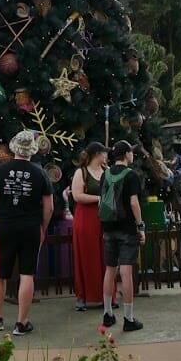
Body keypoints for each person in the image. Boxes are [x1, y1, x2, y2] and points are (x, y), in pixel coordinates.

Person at [0, 129, 54, 337]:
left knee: (0, 272)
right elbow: (49, 207)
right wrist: (42, 226)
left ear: (14, 148)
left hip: (6, 227)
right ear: (31, 151)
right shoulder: (40, 173)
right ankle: (21, 323)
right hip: (31, 227)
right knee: (27, 273)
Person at [100, 140, 145, 333]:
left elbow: (102, 201)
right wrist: (140, 226)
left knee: (110, 269)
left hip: (108, 226)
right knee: (126, 271)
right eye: (131, 152)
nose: (133, 155)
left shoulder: (106, 174)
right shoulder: (131, 175)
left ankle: (108, 313)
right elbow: (134, 203)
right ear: (126, 154)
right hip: (126, 228)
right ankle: (128, 318)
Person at [70, 141, 110, 311]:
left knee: (105, 256)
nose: (106, 156)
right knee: (87, 256)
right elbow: (77, 195)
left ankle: (106, 295)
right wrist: (98, 199)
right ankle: (83, 295)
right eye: (104, 153)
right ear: (97, 155)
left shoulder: (107, 171)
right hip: (86, 217)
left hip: (104, 217)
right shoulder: (82, 172)